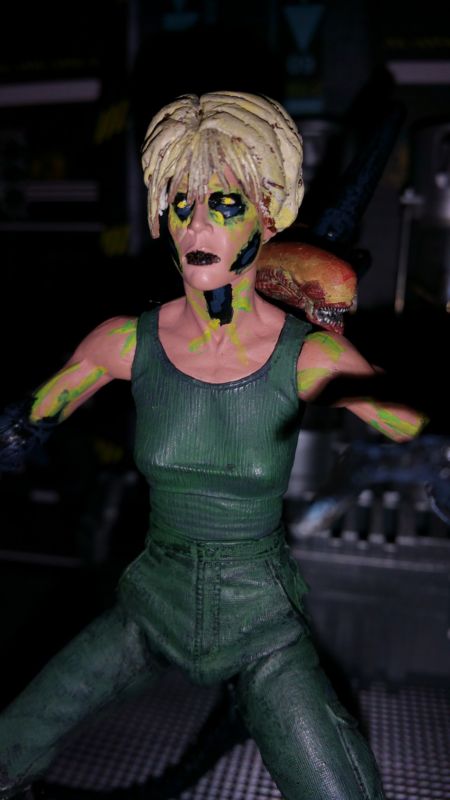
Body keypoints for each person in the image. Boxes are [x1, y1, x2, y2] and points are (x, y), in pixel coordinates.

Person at [0, 91, 427, 800]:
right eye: (181, 204)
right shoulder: (123, 343)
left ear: (268, 214)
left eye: (225, 204)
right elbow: (24, 425)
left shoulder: (309, 357)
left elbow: (412, 425)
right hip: (150, 608)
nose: (197, 225)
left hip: (261, 625)